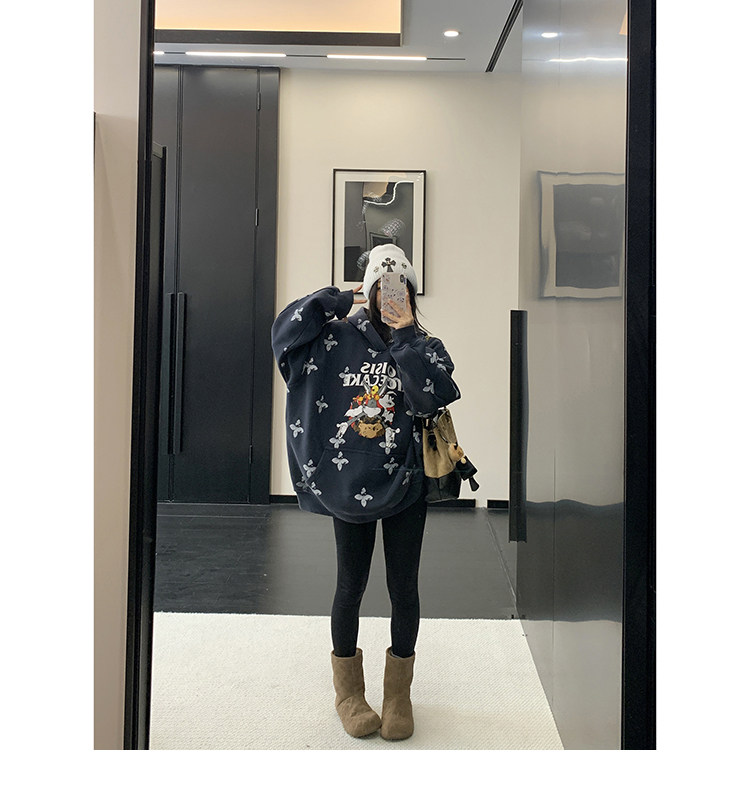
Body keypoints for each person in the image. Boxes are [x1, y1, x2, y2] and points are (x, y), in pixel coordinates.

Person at [271, 244, 460, 740]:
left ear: (412, 293)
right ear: (371, 289)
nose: (391, 295)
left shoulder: (424, 344)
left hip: (406, 481)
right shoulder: (334, 338)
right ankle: (349, 694)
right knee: (350, 585)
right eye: (383, 286)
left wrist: (405, 338)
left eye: (401, 287)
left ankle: (398, 695)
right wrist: (334, 299)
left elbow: (436, 395)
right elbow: (284, 338)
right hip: (348, 483)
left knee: (404, 587)